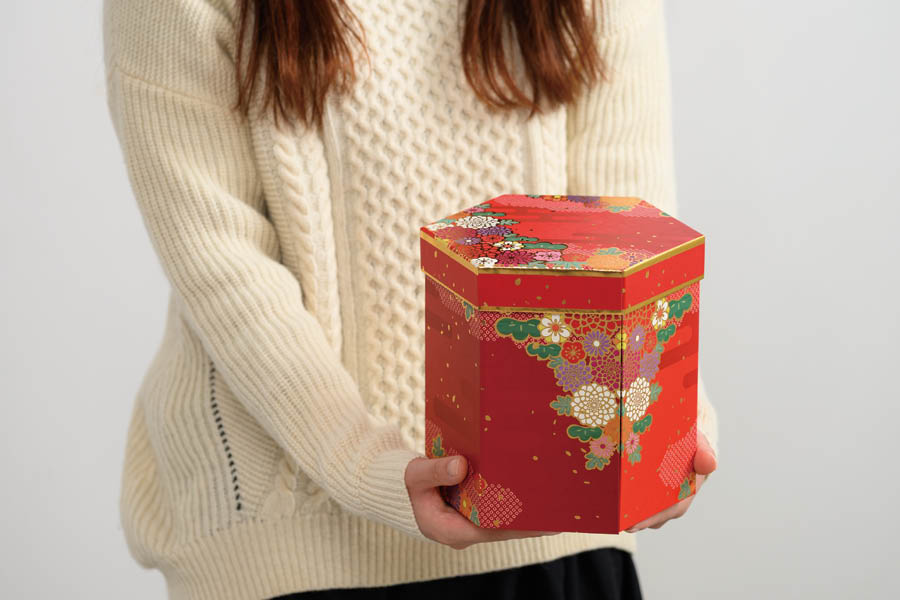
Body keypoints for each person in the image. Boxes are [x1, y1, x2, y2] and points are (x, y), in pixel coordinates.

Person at [102, 0, 720, 598]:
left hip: (560, 536)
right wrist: (364, 466)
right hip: (293, 544)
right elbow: (225, 266)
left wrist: (664, 426)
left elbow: (629, 236)